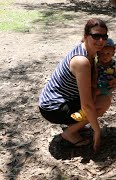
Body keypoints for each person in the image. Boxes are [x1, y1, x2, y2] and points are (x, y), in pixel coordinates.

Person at [38, 18, 111, 152]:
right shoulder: (81, 61)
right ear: (85, 36)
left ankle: (76, 124)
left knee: (104, 94)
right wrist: (97, 131)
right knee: (103, 101)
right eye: (96, 36)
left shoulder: (90, 51)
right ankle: (69, 133)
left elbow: (92, 86)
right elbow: (87, 105)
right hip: (53, 107)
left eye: (104, 36)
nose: (101, 40)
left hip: (65, 98)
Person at [71, 38, 116, 121]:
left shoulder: (115, 64)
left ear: (113, 53)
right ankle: (86, 110)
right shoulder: (96, 63)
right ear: (98, 53)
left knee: (94, 92)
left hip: (107, 86)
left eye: (108, 53)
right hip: (98, 84)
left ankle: (85, 111)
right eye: (102, 53)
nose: (105, 56)